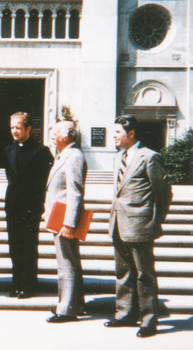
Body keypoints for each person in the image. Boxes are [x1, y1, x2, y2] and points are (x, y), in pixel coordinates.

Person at [104, 115, 172, 338]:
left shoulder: (149, 157)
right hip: (118, 223)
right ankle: (125, 314)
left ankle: (148, 320)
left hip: (140, 224)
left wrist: (153, 221)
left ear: (131, 133)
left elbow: (163, 195)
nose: (113, 136)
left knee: (144, 274)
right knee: (123, 271)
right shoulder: (118, 158)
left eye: (117, 133)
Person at [4, 112, 53, 298]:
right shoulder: (8, 150)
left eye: (18, 127)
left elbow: (43, 181)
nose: (14, 131)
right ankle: (16, 282)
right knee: (14, 246)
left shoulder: (41, 151)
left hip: (31, 206)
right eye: (12, 128)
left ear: (29, 129)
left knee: (29, 246)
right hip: (13, 205)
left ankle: (29, 284)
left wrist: (39, 204)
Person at [45, 120, 87, 323]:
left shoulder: (74, 156)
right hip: (58, 216)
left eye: (55, 132)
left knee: (66, 262)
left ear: (67, 136)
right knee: (69, 260)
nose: (52, 135)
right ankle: (76, 302)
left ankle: (67, 308)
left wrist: (69, 223)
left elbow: (75, 192)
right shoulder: (63, 155)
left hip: (64, 218)